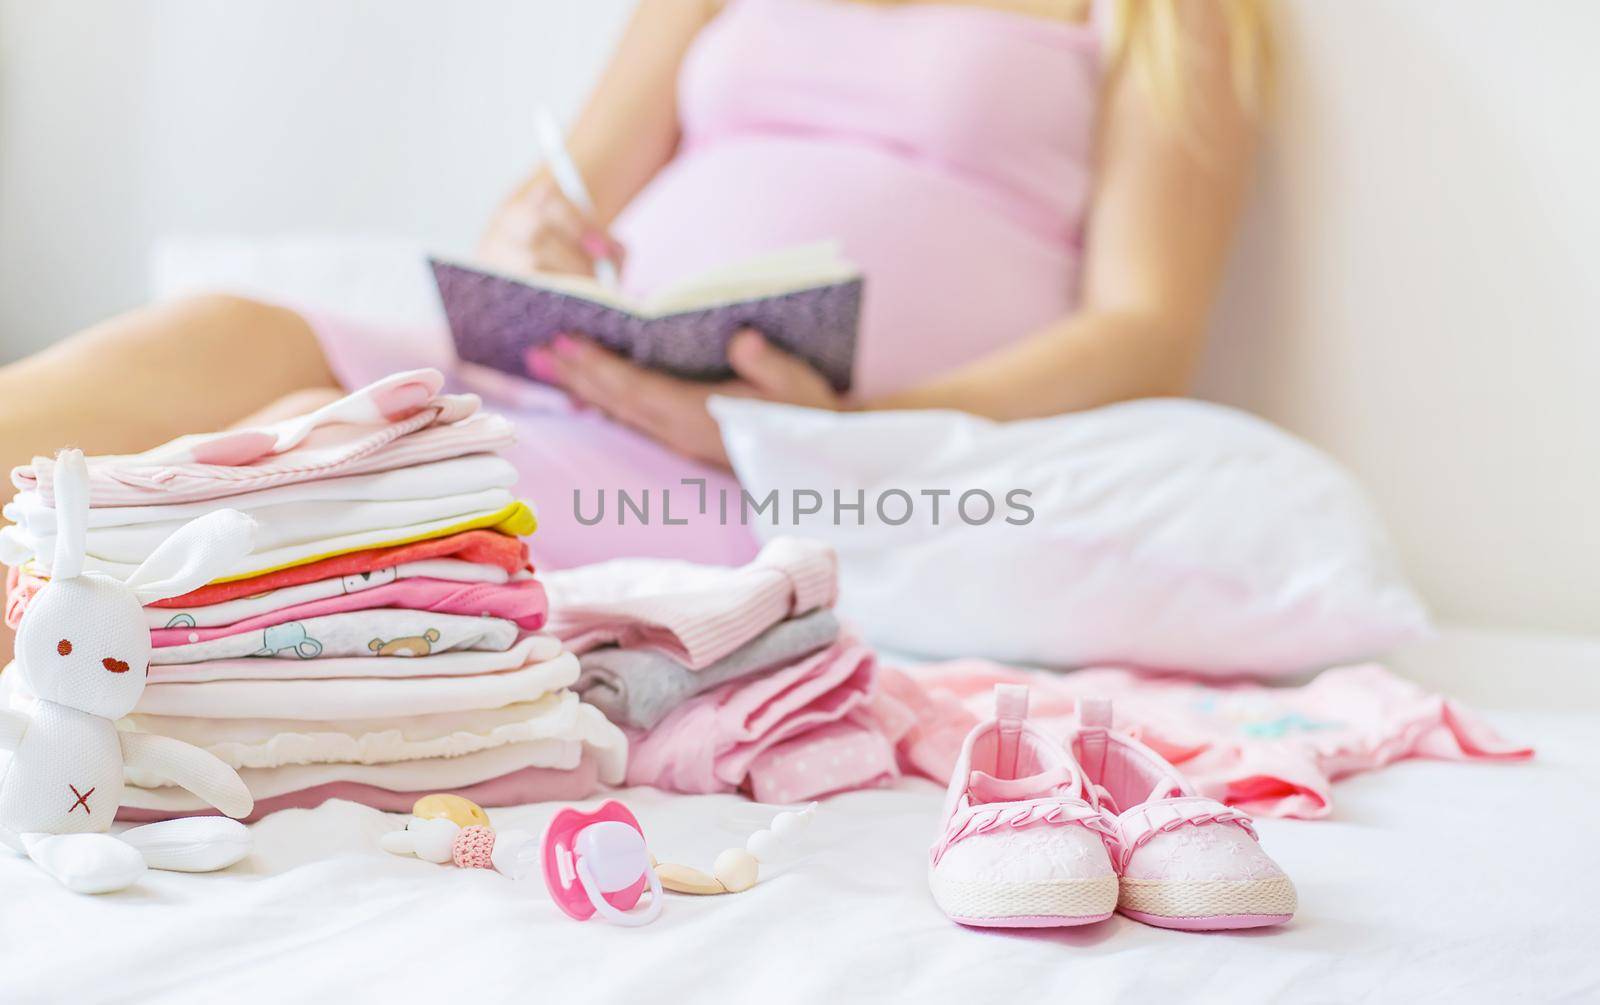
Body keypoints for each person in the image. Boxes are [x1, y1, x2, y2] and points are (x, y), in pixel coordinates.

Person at [0, 0, 1268, 660]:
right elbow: (555, 191)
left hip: (760, 457)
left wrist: (840, 432)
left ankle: (54, 617)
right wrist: (535, 240)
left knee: (312, 463)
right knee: (219, 336)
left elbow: (1145, 327)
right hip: (574, 366)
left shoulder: (1160, 16)